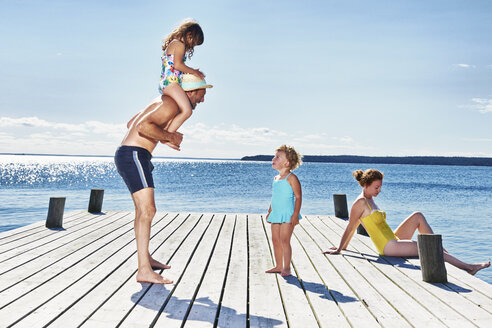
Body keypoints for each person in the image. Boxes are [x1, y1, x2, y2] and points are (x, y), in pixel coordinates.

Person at [114, 73, 212, 284]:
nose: (202, 100)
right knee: (148, 210)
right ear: (191, 92)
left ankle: (145, 259)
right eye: (201, 95)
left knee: (143, 211)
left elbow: (132, 122)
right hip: (134, 154)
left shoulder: (161, 101)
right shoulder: (170, 105)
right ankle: (144, 270)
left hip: (132, 154)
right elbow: (142, 127)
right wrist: (170, 136)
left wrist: (162, 133)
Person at [323, 169, 491, 275]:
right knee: (424, 247)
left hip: (393, 239)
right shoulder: (360, 203)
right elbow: (351, 227)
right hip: (388, 247)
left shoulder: (370, 200)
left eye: (380, 187)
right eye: (376, 187)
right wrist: (339, 249)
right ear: (365, 185)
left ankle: (440, 250)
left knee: (417, 216)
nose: (379, 190)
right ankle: (468, 267)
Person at [158, 19, 205, 151]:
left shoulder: (174, 44)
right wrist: (194, 72)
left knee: (178, 111)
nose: (192, 46)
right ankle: (167, 137)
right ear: (189, 35)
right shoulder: (179, 44)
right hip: (171, 83)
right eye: (193, 42)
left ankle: (166, 131)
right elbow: (178, 65)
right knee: (187, 110)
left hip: (168, 82)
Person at [265, 145, 303, 277]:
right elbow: (275, 196)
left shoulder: (292, 178)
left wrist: (295, 215)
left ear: (286, 163)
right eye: (274, 156)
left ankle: (287, 268)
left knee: (284, 240)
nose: (273, 159)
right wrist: (270, 211)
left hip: (288, 214)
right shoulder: (276, 179)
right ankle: (278, 265)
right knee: (275, 240)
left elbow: (298, 197)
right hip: (276, 213)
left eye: (277, 157)